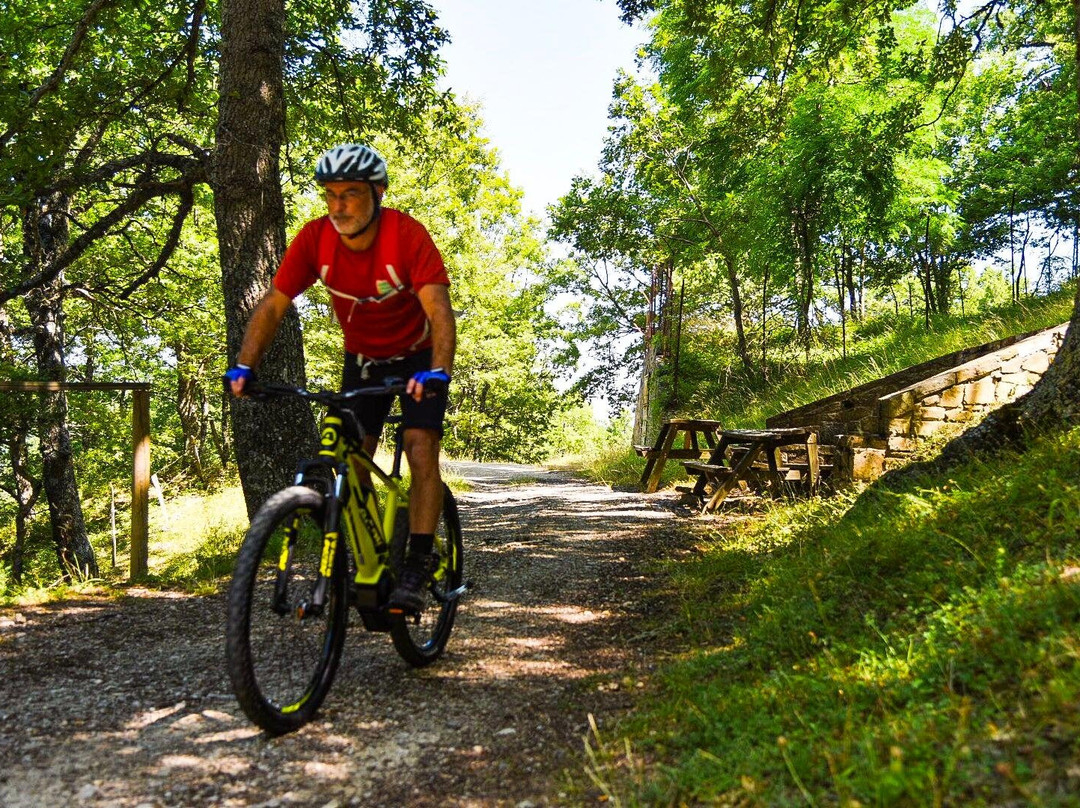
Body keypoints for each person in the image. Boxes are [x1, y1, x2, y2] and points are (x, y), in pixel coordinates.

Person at [225, 143, 456, 614]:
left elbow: (440, 311)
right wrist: (245, 365)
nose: (338, 206)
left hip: (417, 356)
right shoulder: (314, 240)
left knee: (418, 443)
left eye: (350, 194)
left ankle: (418, 559)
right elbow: (272, 304)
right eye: (330, 194)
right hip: (365, 357)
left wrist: (437, 372)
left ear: (378, 192)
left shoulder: (407, 236)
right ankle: (368, 555)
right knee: (349, 454)